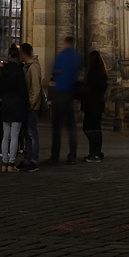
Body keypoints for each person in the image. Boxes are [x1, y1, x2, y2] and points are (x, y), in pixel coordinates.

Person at [48, 35, 81, 165]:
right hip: (70, 94)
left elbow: (54, 71)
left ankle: (55, 156)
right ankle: (72, 155)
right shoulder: (76, 56)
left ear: (65, 43)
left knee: (57, 127)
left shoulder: (62, 55)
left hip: (60, 92)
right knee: (71, 127)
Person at [0, 46, 29, 173]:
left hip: (6, 103)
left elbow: (0, 88)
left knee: (6, 135)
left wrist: (1, 98)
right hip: (17, 104)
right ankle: (11, 163)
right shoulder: (19, 70)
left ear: (9, 55)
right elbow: (22, 90)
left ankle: (4, 162)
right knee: (15, 136)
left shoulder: (3, 70)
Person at [18, 43, 43, 172]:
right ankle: (27, 159)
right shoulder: (27, 67)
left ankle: (33, 160)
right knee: (27, 133)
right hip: (27, 105)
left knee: (32, 133)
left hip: (31, 106)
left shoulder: (33, 67)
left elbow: (35, 89)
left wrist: (32, 105)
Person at [81, 50, 108, 162]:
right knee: (94, 128)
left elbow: (90, 88)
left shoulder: (94, 71)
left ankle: (95, 153)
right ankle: (94, 151)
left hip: (92, 104)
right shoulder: (101, 71)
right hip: (97, 103)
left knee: (90, 128)